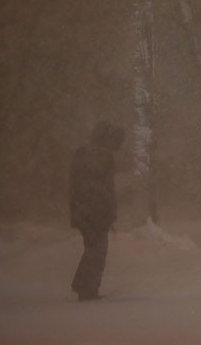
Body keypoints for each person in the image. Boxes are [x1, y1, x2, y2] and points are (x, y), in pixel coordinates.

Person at [69, 121, 125, 301]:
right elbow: (102, 189)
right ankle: (86, 290)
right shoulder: (101, 156)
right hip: (94, 211)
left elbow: (82, 186)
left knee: (93, 248)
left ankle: (83, 286)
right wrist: (108, 211)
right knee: (97, 250)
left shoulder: (85, 154)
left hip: (84, 209)